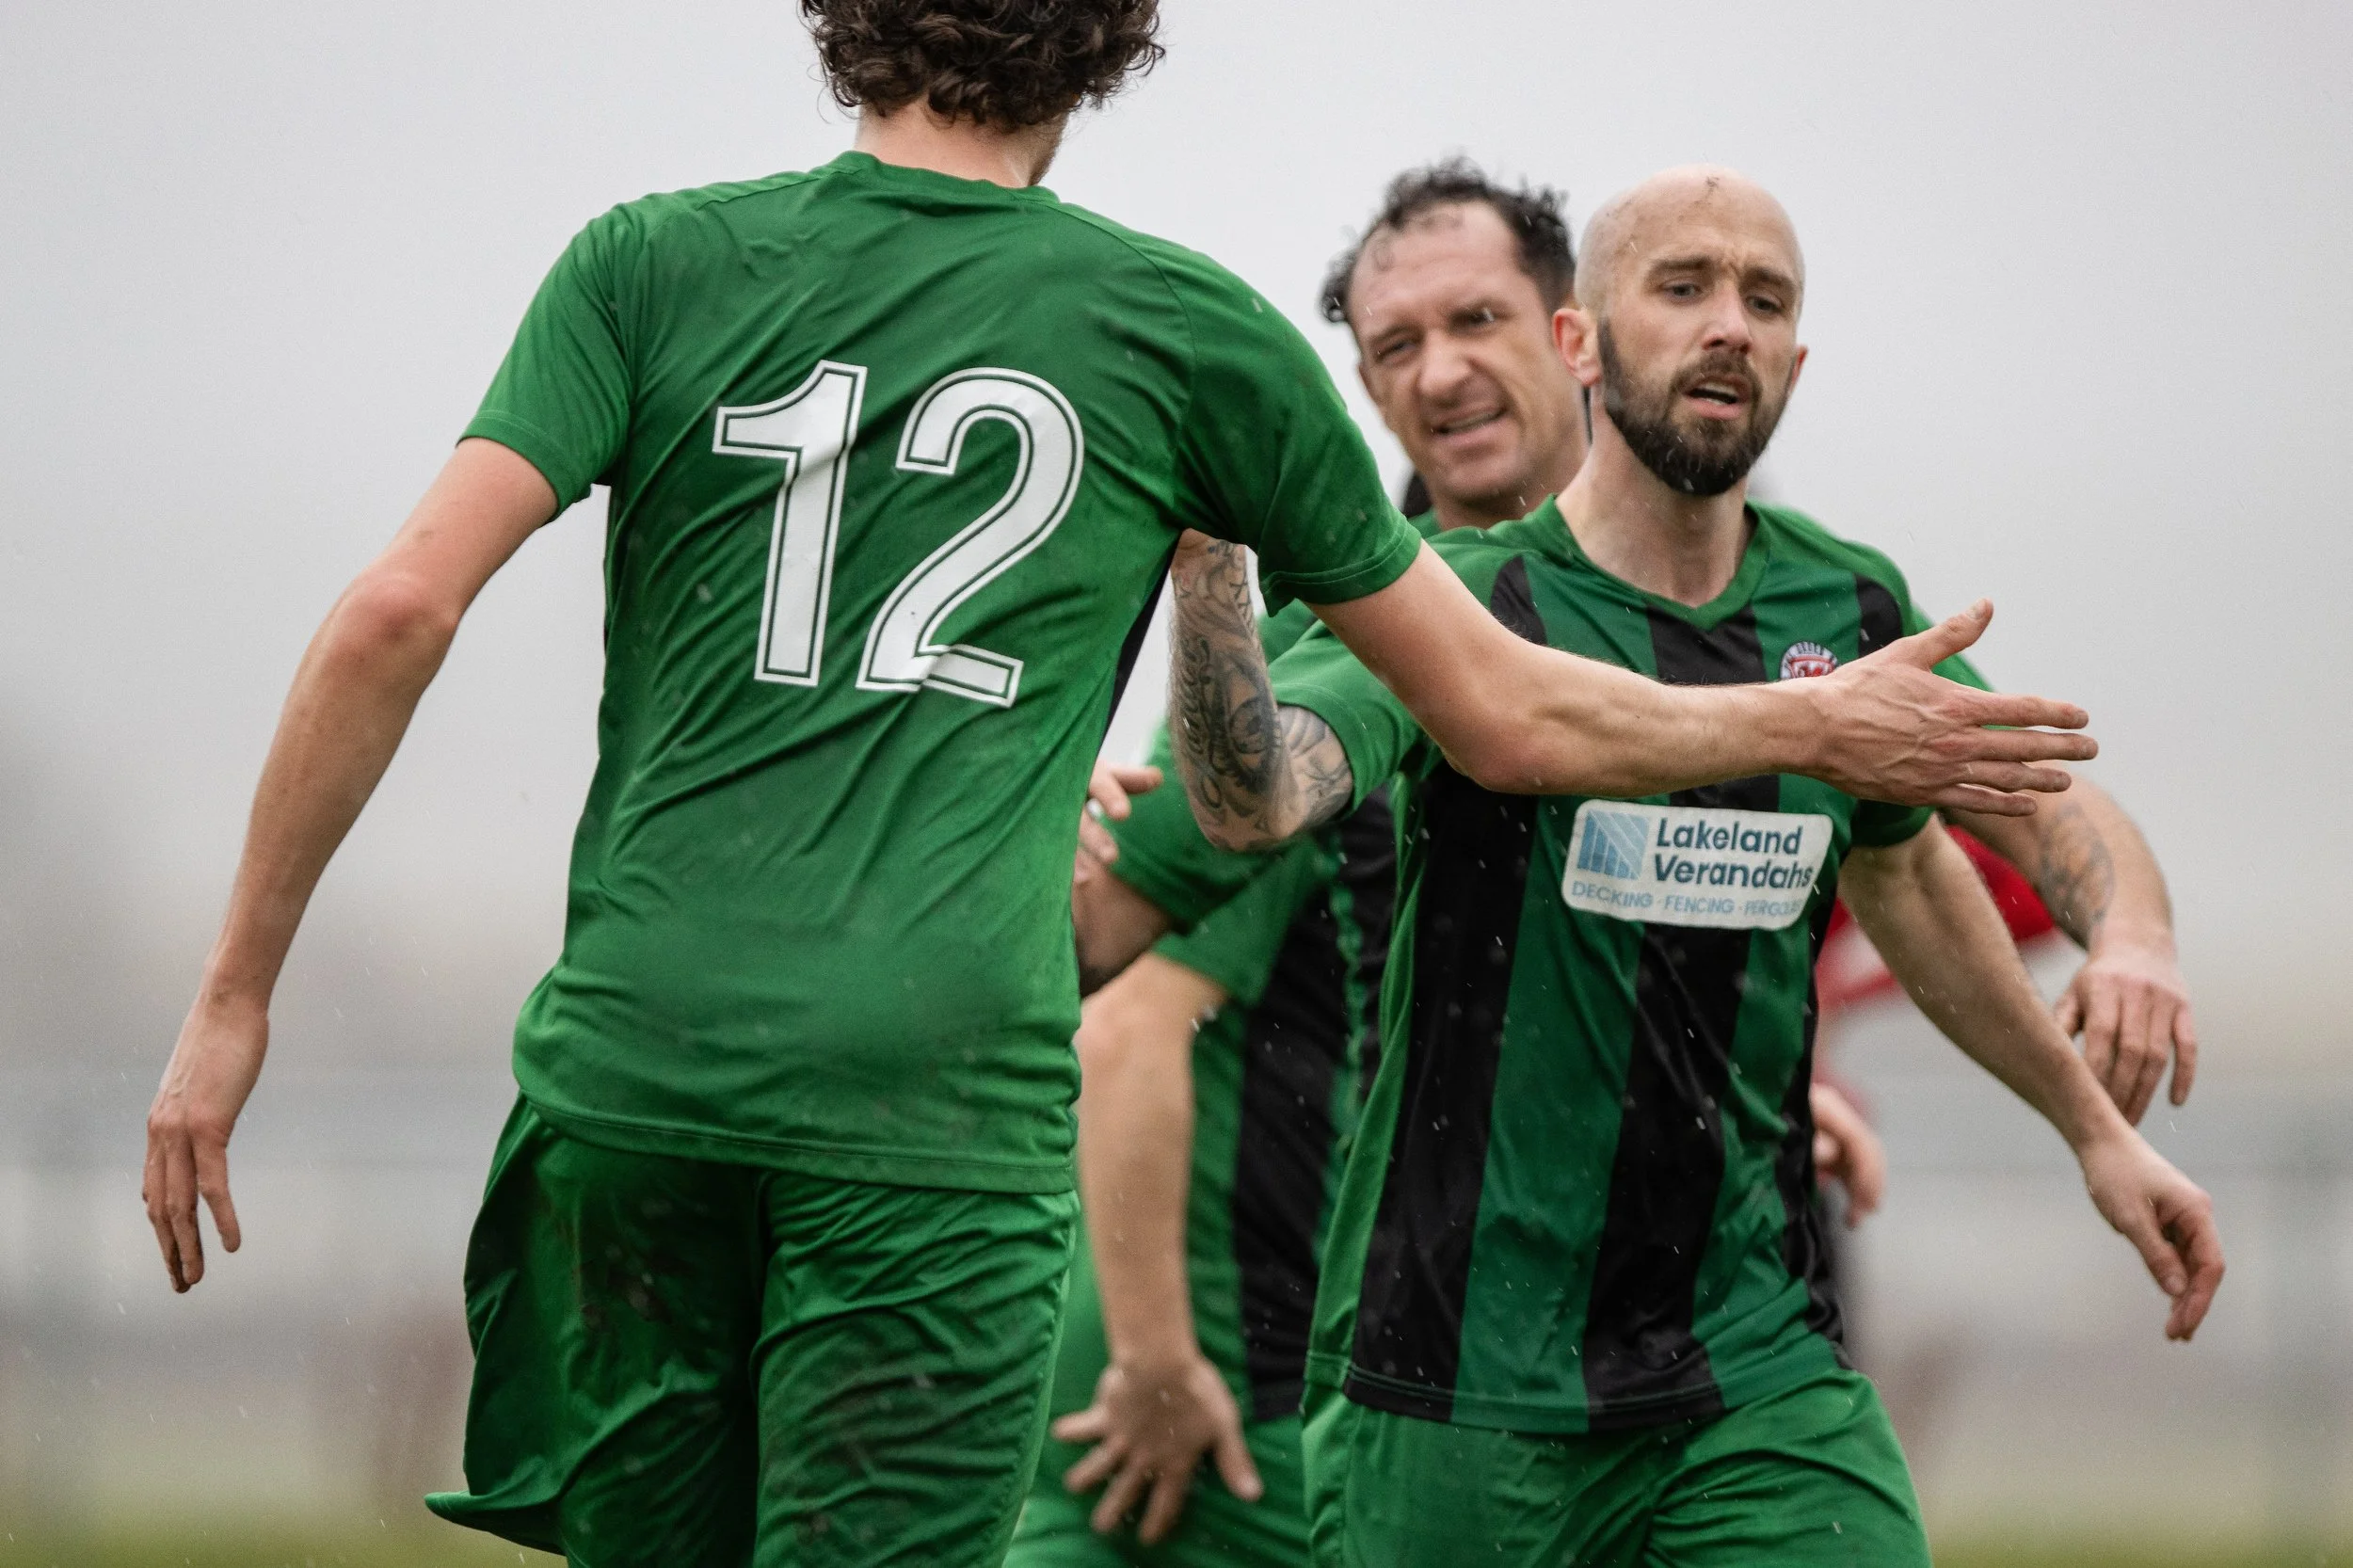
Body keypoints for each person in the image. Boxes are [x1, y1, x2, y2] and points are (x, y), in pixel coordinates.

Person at [137, 0, 2098, 1548]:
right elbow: (1507, 714)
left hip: (633, 1071)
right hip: (930, 1100)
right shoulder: (1178, 332)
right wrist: (1807, 724)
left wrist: (232, 1001)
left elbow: (397, 609)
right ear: (1108, 40)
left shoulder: (645, 263)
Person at [1161, 165, 2224, 1567]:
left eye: (1764, 299)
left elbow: (1982, 846)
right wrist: (1207, 583)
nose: (1728, 323)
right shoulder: (1470, 598)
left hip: (1756, 1372)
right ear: (1581, 343)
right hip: (1460, 1374)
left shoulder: (1843, 608)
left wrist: (2120, 1003)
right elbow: (1258, 794)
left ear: (1794, 356)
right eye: (1683, 288)